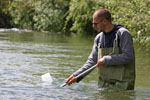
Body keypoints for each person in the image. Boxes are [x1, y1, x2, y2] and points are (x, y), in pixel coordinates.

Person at [65, 8, 135, 90]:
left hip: (123, 86)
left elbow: (128, 56)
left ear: (105, 21)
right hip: (104, 85)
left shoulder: (123, 34)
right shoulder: (98, 38)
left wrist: (106, 59)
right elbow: (92, 61)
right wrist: (76, 76)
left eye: (95, 23)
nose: (93, 26)